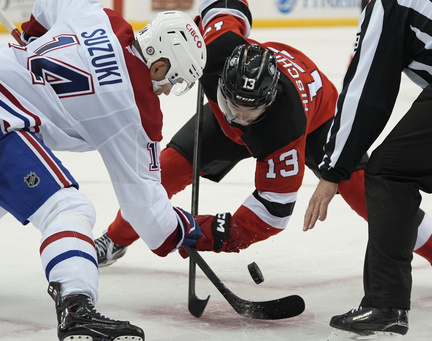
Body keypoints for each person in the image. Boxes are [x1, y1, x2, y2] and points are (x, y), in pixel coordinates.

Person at [0, 1, 206, 340]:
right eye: (173, 79)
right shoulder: (137, 111)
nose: (170, 89)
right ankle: (76, 309)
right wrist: (180, 229)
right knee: (69, 208)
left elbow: (48, 4)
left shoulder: (101, 17)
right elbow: (147, 214)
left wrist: (32, 34)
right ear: (158, 66)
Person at [93, 0, 432, 268]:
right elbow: (225, 5)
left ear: (268, 102)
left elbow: (270, 215)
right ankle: (114, 239)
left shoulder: (283, 128)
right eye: (232, 104)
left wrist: (203, 232)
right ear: (222, 80)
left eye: (249, 112)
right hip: (238, 113)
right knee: (164, 170)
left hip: (318, 122)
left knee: (370, 195)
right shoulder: (217, 48)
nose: (239, 117)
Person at [303, 0, 432, 338]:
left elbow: (368, 90)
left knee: (390, 170)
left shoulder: (388, 4)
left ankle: (386, 303)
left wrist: (332, 170)